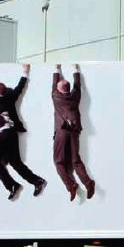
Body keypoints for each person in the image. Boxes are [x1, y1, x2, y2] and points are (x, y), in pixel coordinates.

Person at [0, 63, 47, 200]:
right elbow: (19, 88)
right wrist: (25, 72)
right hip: (12, 134)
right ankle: (37, 181)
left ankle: (12, 186)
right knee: (15, 162)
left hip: (3, 134)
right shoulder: (9, 99)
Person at [51, 63, 96, 201]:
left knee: (59, 162)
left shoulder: (56, 96)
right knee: (75, 160)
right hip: (75, 131)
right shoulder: (75, 96)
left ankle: (71, 186)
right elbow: (77, 85)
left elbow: (54, 84)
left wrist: (57, 69)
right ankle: (88, 182)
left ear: (58, 89)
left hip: (62, 131)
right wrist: (76, 70)